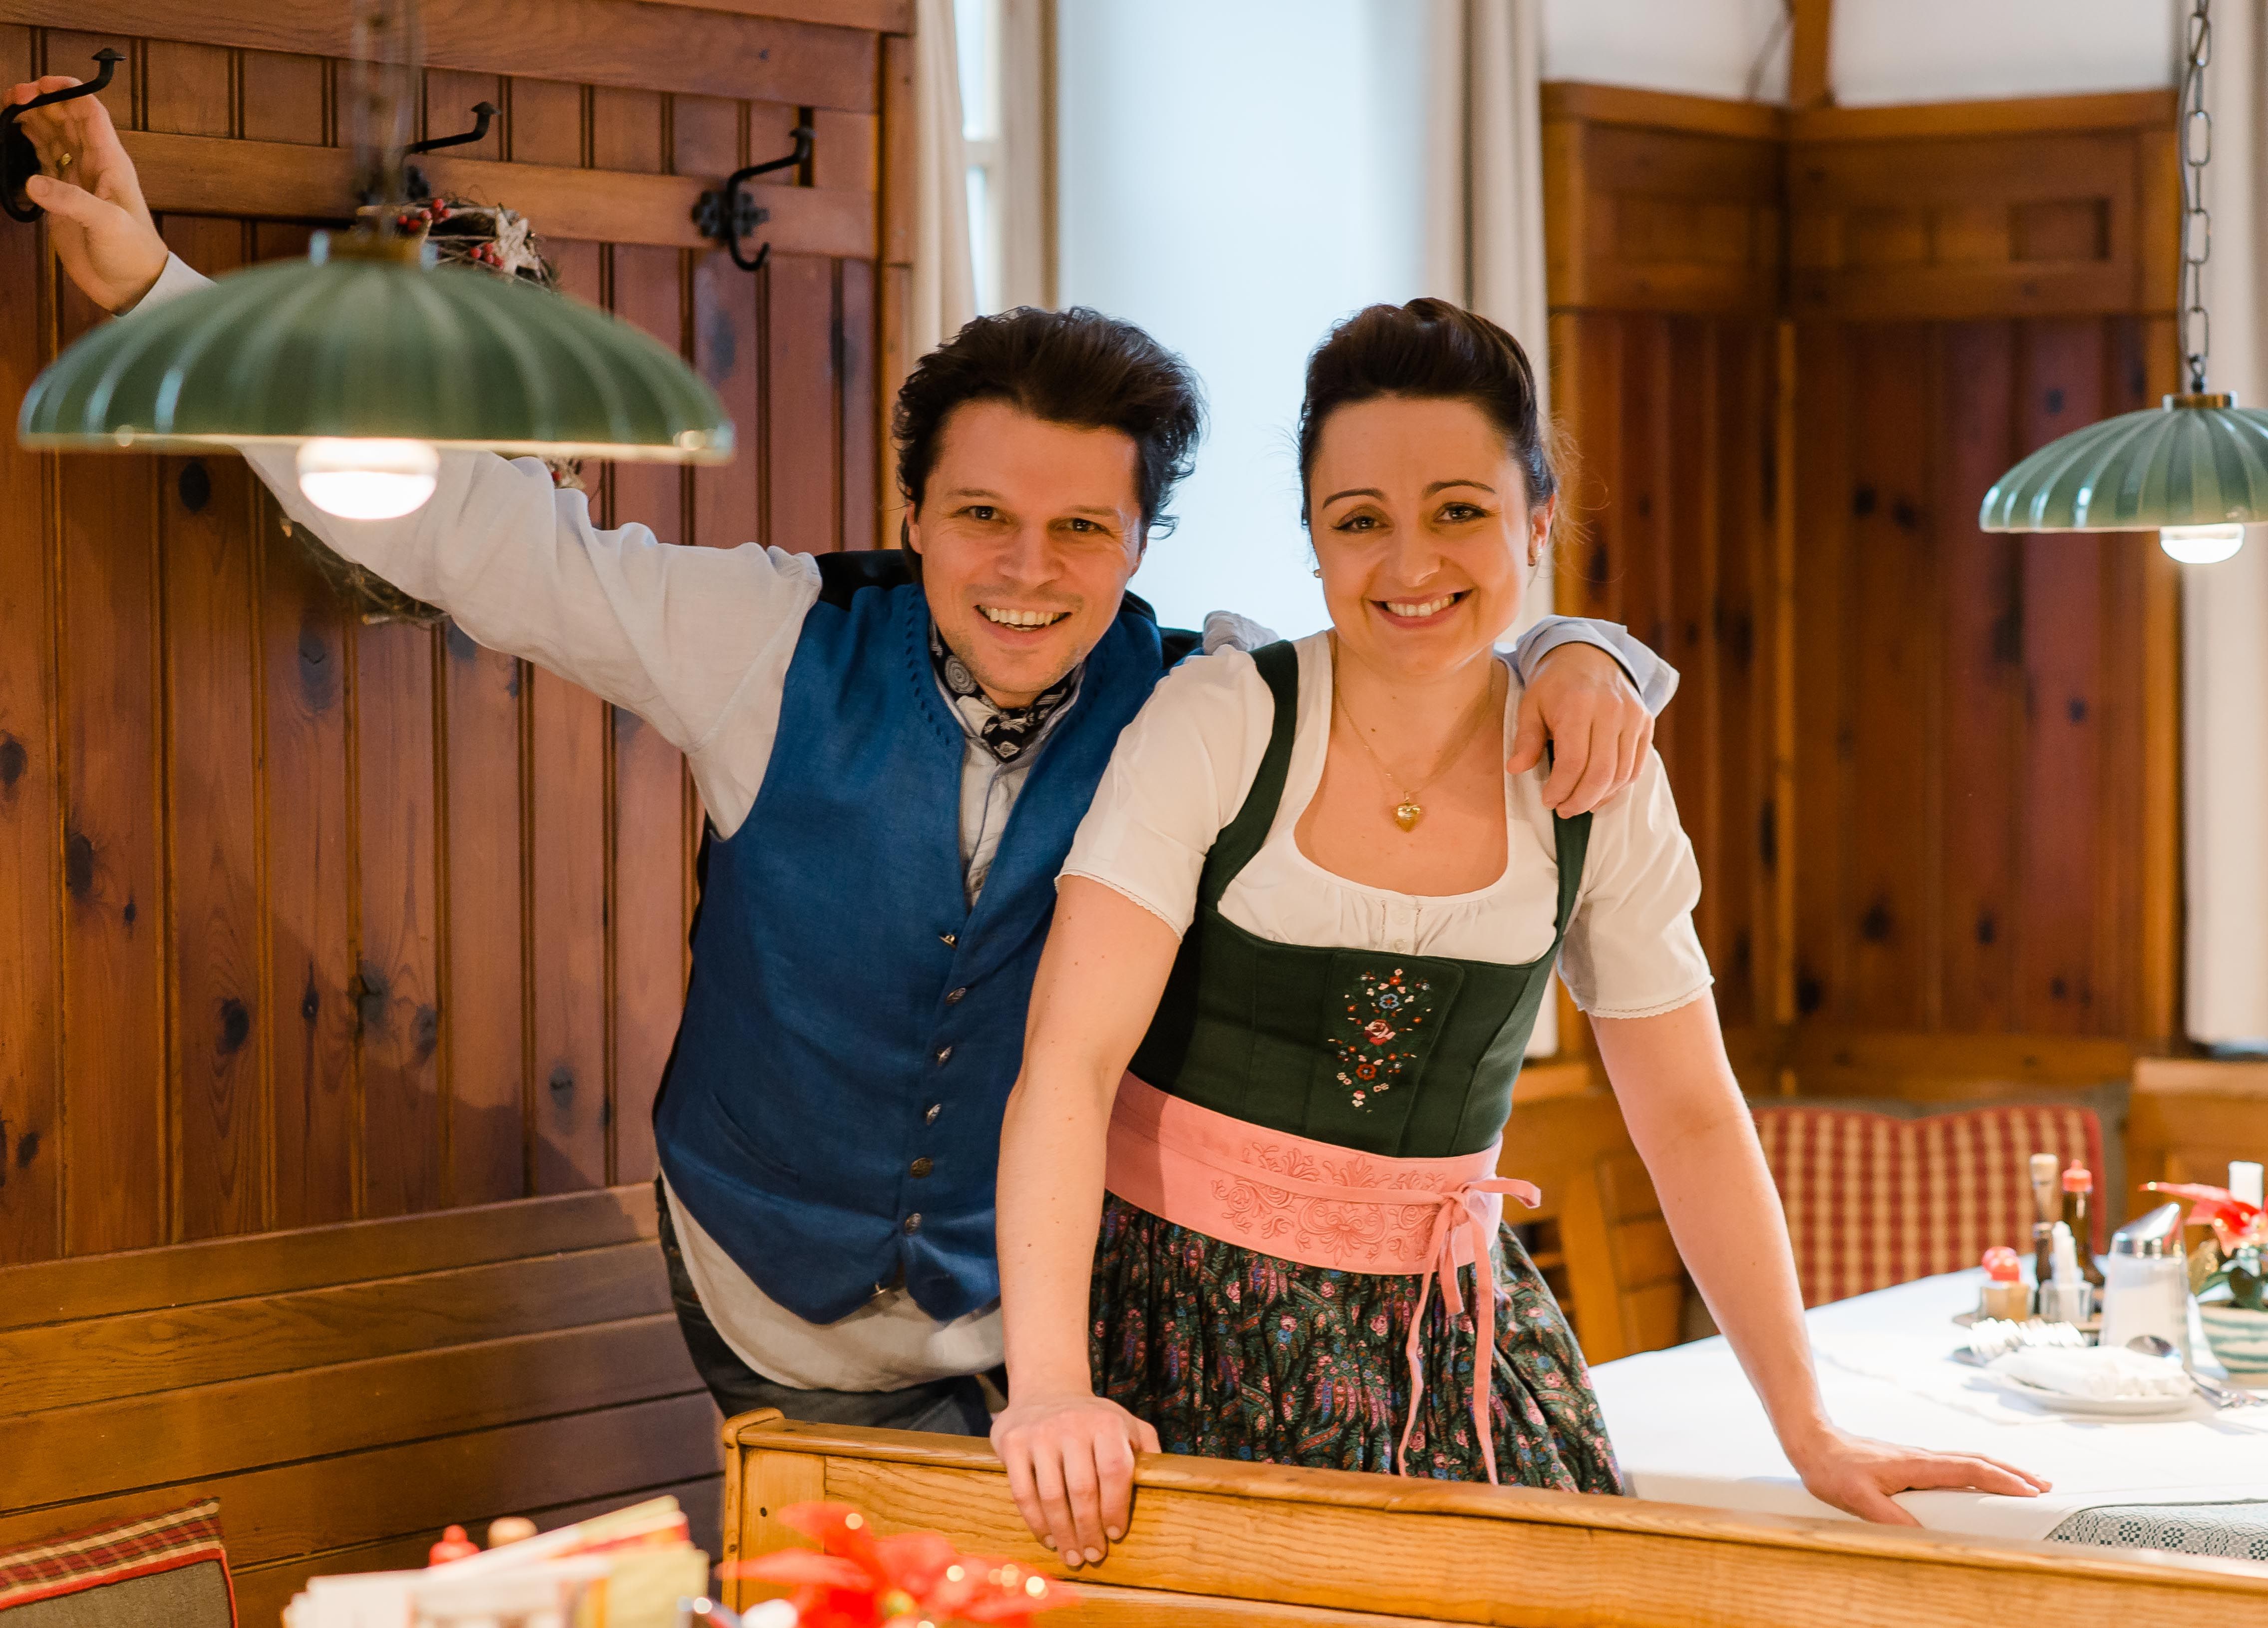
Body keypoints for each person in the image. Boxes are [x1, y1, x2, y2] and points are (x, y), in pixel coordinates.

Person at [17, 82, 1673, 1437]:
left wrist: (1577, 646)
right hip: (761, 1288)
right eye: (982, 516)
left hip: (1042, 1317)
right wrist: (158, 295)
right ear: (914, 515)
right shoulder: (768, 638)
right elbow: (473, 534)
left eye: (1080, 531)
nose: (1025, 571)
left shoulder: (1207, 699)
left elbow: (1410, 643)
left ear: (1140, 543)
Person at [990, 299, 2052, 1566]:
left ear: (1536, 522)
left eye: (1458, 511)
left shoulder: (1594, 772)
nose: (1410, 564)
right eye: (1360, 521)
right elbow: (1068, 1063)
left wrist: (1807, 1425)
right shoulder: (1221, 720)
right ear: (1312, 538)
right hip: (1177, 1328)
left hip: (1457, 1342)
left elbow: (1689, 1114)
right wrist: (1050, 1388)